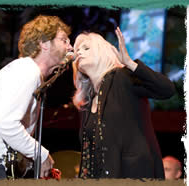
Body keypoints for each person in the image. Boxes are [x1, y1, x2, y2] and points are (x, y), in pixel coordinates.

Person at [0, 15, 73, 180]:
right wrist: (41, 155)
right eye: (64, 40)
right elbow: (6, 123)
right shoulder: (28, 71)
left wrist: (31, 161)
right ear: (44, 43)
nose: (70, 47)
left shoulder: (25, 71)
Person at [72, 27, 175, 179]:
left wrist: (130, 64)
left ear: (103, 53)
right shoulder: (87, 101)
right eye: (77, 50)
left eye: (86, 48)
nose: (79, 52)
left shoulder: (122, 77)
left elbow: (167, 90)